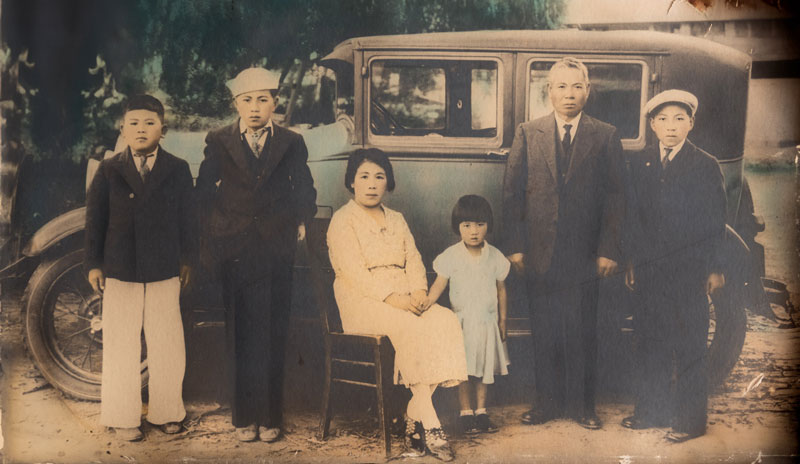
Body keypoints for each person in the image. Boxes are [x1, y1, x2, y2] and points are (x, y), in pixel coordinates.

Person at [502, 57, 625, 429]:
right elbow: (511, 194)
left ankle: (584, 407)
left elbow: (617, 198)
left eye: (576, 87)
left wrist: (608, 249)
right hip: (540, 252)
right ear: (549, 91)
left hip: (586, 255)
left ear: (588, 90)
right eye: (561, 86)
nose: (568, 95)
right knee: (545, 331)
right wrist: (516, 246)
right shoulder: (528, 132)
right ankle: (546, 404)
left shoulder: (605, 134)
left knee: (584, 331)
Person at [195, 67, 317, 442]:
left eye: (263, 99)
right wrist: (221, 227)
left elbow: (306, 191)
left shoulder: (291, 142)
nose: (254, 108)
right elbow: (203, 192)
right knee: (240, 333)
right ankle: (243, 416)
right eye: (247, 100)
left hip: (275, 249)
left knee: (273, 332)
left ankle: (270, 417)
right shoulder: (219, 140)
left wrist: (298, 222)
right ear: (235, 104)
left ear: (275, 103)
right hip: (235, 249)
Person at [327, 148, 467, 462]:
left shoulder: (398, 219)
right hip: (363, 301)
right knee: (409, 327)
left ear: (388, 182)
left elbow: (414, 260)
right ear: (351, 182)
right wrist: (394, 300)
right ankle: (430, 425)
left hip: (404, 295)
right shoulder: (343, 220)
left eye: (380, 176)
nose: (372, 184)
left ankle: (413, 412)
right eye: (364, 176)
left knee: (444, 320)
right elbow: (354, 273)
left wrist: (418, 292)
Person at [85, 94, 193, 441]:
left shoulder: (177, 169)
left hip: (163, 268)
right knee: (121, 342)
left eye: (150, 123)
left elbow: (189, 221)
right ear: (123, 128)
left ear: (164, 129)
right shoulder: (109, 169)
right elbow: (95, 221)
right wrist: (94, 264)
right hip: (120, 268)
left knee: (167, 341)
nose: (141, 129)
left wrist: (188, 259)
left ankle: (167, 412)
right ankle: (122, 416)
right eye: (134, 123)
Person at [621, 89, 726, 443]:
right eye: (663, 119)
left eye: (680, 119)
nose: (671, 127)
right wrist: (632, 261)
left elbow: (716, 220)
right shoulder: (640, 162)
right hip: (650, 270)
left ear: (691, 124)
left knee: (689, 343)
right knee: (650, 340)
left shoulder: (705, 164)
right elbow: (633, 217)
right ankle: (651, 411)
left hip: (688, 271)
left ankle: (690, 421)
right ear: (652, 124)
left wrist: (714, 268)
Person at [425, 194, 510, 435]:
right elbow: (439, 285)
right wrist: (428, 301)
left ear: (488, 226)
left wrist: (503, 320)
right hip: (460, 324)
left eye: (480, 224)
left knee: (483, 370)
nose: (474, 231)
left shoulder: (495, 256)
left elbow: (501, 289)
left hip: (486, 323)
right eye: (467, 225)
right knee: (462, 371)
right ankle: (465, 413)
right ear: (458, 227)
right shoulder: (451, 255)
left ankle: (481, 412)